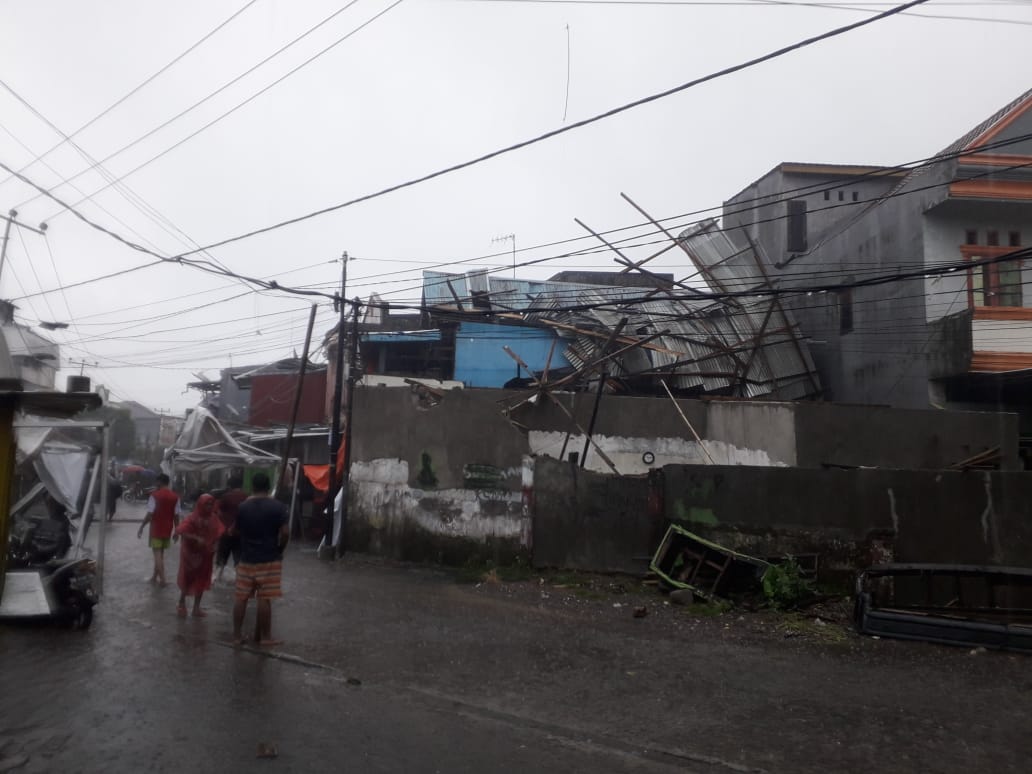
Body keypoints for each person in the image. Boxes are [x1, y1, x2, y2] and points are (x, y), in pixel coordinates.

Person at [232, 472, 289, 647]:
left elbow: (235, 530)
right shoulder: (279, 507)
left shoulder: (242, 507)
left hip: (247, 558)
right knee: (264, 598)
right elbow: (285, 532)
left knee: (241, 598)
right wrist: (280, 548)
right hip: (269, 558)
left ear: (253, 487)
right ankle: (265, 637)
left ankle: (236, 636)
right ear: (268, 486)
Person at [173, 494, 224, 618]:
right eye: (206, 504)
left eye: (211, 504)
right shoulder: (192, 518)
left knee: (202, 580)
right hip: (190, 555)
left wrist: (216, 545)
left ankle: (196, 608)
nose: (209, 507)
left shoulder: (214, 518)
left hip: (206, 554)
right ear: (200, 504)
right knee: (188, 579)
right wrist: (196, 538)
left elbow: (219, 532)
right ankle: (181, 603)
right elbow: (181, 531)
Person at [136, 473, 181, 586]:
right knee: (160, 554)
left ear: (160, 482)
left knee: (157, 555)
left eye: (157, 482)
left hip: (156, 529)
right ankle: (154, 577)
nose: (156, 484)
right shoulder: (175, 497)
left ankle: (163, 580)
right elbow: (176, 516)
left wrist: (141, 527)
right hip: (167, 529)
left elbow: (150, 514)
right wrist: (177, 531)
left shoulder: (154, 495)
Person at [214, 475, 247, 583]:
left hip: (225, 533)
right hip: (241, 533)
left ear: (230, 485)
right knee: (239, 560)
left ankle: (216, 580)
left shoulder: (226, 497)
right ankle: (241, 582)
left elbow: (218, 512)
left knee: (221, 559)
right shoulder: (247, 497)